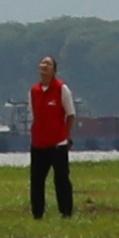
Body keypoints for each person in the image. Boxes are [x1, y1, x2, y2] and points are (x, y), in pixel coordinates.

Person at [24, 53, 77, 219]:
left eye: (48, 64)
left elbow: (70, 115)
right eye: (42, 63)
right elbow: (33, 115)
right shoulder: (33, 91)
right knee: (37, 181)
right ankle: (37, 214)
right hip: (39, 143)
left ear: (54, 70)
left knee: (61, 179)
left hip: (58, 144)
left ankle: (66, 212)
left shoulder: (61, 89)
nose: (44, 66)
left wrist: (66, 137)